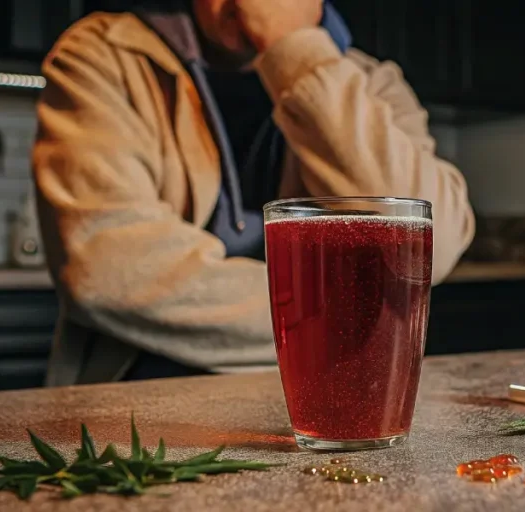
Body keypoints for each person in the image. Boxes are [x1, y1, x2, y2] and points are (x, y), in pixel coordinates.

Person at [33, 0, 475, 386]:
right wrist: (350, 316)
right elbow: (106, 271)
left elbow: (430, 243)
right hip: (138, 413)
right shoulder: (104, 56)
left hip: (329, 401)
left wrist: (300, 55)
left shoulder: (371, 83)